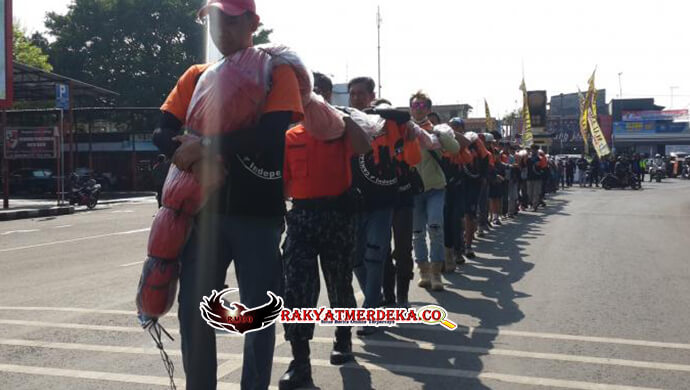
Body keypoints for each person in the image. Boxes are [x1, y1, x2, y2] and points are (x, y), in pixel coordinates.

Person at [152, 1, 304, 388]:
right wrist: (188, 157)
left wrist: (204, 146)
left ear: (253, 22)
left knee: (258, 314)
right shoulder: (197, 75)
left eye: (233, 21)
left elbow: (269, 137)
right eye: (216, 21)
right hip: (203, 214)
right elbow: (162, 132)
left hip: (257, 213)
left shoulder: (276, 70)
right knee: (193, 310)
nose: (223, 30)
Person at [279, 73, 371, 389]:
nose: (314, 96)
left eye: (321, 91)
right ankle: (300, 362)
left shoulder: (341, 131)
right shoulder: (291, 136)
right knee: (297, 290)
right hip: (303, 218)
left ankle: (343, 338)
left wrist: (345, 119)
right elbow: (283, 185)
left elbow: (364, 147)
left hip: (337, 215)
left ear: (329, 95)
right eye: (308, 91)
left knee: (339, 283)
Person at [348, 77, 402, 336]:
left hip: (382, 200)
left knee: (374, 255)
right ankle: (375, 296)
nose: (356, 98)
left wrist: (372, 112)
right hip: (353, 201)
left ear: (372, 94)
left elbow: (404, 117)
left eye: (361, 93)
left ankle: (370, 311)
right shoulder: (344, 121)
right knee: (356, 258)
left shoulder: (389, 123)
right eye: (352, 94)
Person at [409, 91, 460, 291]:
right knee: (417, 232)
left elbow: (454, 149)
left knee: (436, 227)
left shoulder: (437, 129)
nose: (418, 109)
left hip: (436, 188)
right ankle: (424, 272)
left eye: (422, 106)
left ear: (429, 109)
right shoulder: (406, 130)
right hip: (414, 189)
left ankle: (437, 273)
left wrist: (439, 135)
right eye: (415, 105)